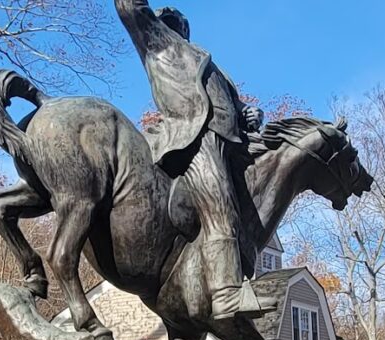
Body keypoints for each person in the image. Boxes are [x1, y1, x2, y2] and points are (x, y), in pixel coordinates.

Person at [115, 0, 273, 320]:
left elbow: (236, 106)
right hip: (195, 138)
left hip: (233, 145)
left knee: (248, 210)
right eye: (165, 22)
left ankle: (220, 277)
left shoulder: (206, 62)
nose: (173, 28)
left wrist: (251, 114)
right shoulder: (158, 48)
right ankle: (226, 294)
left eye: (178, 24)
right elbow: (130, 9)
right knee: (220, 209)